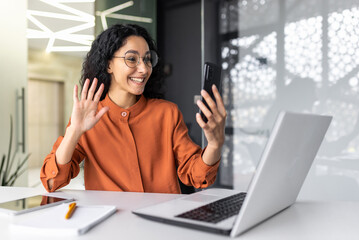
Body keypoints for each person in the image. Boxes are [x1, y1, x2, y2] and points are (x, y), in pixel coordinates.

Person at [40, 24, 226, 193]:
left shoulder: (167, 113)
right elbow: (52, 181)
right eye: (132, 59)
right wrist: (74, 132)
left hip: (161, 222)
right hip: (111, 224)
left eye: (147, 60)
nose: (144, 69)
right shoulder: (89, 116)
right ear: (108, 64)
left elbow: (197, 176)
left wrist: (215, 145)